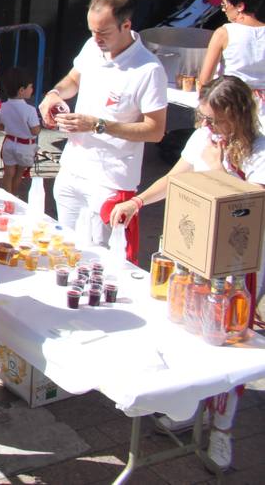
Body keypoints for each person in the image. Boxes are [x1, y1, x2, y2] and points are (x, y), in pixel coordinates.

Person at [108, 75, 264, 474]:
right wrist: (139, 201)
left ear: (238, 116)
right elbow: (176, 176)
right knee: (186, 327)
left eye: (215, 121)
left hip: (240, 263)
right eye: (204, 119)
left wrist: (216, 170)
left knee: (226, 338)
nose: (208, 128)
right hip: (194, 252)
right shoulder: (204, 140)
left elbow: (246, 208)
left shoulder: (259, 151)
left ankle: (223, 429)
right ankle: (190, 407)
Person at [39, 0, 167, 255]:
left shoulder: (149, 70)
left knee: (99, 260)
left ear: (126, 25)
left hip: (109, 181)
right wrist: (54, 94)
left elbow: (155, 131)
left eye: (104, 33)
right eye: (92, 31)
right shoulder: (92, 47)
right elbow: (74, 80)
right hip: (72, 170)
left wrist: (97, 124)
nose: (96, 39)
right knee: (65, 250)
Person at [197, 0, 265, 113]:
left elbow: (205, 80)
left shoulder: (224, 32)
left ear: (240, 6)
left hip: (231, 103)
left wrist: (203, 108)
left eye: (224, 5)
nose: (223, 10)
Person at [0, 67, 41, 197]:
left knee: (8, 173)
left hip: (9, 143)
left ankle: (6, 198)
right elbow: (35, 131)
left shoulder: (2, 106)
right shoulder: (30, 109)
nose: (32, 90)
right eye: (30, 87)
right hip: (25, 146)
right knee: (19, 174)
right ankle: (13, 198)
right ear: (22, 90)